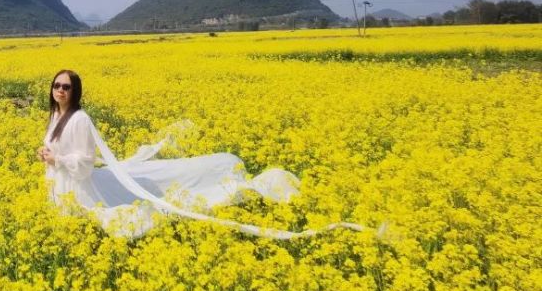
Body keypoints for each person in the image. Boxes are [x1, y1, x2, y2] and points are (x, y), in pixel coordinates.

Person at [38, 68, 370, 240]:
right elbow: (60, 150)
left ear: (75, 91)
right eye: (57, 85)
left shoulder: (81, 119)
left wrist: (58, 160)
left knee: (134, 204)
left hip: (78, 186)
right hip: (62, 185)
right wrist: (48, 153)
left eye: (66, 86)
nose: (61, 90)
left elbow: (84, 163)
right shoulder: (56, 115)